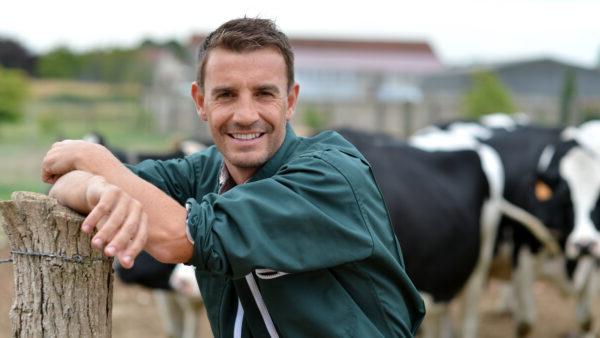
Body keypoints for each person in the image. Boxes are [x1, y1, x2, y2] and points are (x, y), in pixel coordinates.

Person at [41, 17, 424, 337]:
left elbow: (178, 237)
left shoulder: (330, 177)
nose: (245, 114)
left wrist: (97, 161)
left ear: (290, 101)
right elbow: (62, 180)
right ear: (200, 102)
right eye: (226, 94)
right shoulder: (204, 170)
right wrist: (96, 188)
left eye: (263, 94)